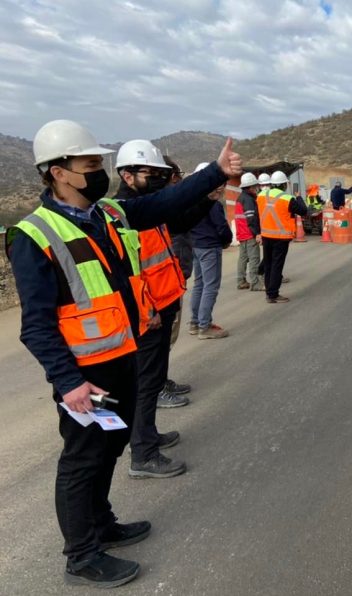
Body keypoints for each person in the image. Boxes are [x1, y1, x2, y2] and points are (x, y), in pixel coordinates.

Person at [6, 119, 241, 588]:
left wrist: (215, 173)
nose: (99, 170)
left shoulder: (107, 214)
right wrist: (68, 382)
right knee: (83, 459)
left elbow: (163, 203)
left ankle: (103, 524)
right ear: (57, 171)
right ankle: (82, 555)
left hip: (121, 357)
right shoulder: (33, 235)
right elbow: (35, 326)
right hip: (84, 375)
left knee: (111, 447)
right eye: (89, 163)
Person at [114, 140, 214, 480]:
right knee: (144, 385)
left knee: (153, 379)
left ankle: (149, 436)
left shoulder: (146, 207)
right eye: (152, 173)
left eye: (163, 174)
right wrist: (148, 311)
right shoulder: (122, 215)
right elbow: (127, 273)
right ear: (128, 176)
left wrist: (207, 199)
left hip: (163, 302)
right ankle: (143, 454)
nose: (159, 179)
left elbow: (180, 222)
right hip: (148, 314)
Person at [160, 156, 193, 404]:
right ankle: (155, 387)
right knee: (159, 342)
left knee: (168, 338)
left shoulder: (165, 207)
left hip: (172, 282)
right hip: (158, 291)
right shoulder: (151, 208)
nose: (177, 181)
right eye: (174, 177)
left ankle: (161, 379)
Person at [188, 163, 233, 338]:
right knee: (210, 286)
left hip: (196, 245)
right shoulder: (211, 202)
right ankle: (204, 326)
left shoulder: (191, 198)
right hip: (209, 246)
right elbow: (220, 225)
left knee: (199, 284)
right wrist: (227, 240)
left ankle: (195, 322)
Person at [257, 170, 307, 303]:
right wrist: (299, 197)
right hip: (281, 237)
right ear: (284, 185)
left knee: (268, 264)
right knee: (277, 265)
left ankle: (269, 292)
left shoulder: (261, 195)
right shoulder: (287, 198)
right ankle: (273, 294)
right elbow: (303, 211)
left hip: (266, 235)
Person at [235, 172, 263, 291]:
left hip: (241, 234)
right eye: (255, 186)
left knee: (243, 258)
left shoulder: (240, 198)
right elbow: (251, 218)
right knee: (254, 259)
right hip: (249, 234)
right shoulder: (249, 200)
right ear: (250, 187)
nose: (256, 189)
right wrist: (256, 233)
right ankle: (255, 284)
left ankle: (241, 281)